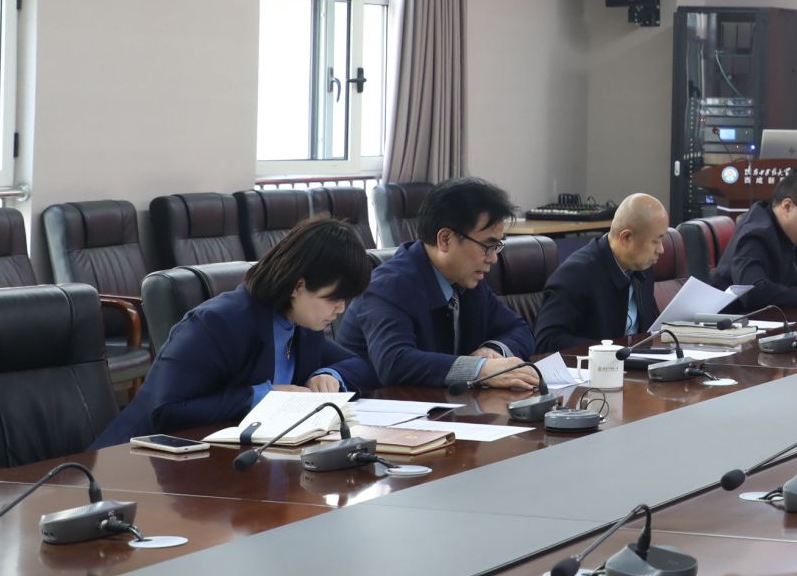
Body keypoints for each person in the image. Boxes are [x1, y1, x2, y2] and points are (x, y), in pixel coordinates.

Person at [93, 215, 376, 447]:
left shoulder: (301, 325)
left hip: (233, 460)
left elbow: (363, 364)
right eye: (333, 298)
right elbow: (166, 411)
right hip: (137, 463)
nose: (340, 309)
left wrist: (330, 375)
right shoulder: (217, 324)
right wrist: (262, 396)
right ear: (298, 286)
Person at [337, 176, 538, 390]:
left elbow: (519, 330)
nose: (493, 258)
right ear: (445, 240)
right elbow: (395, 361)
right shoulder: (388, 286)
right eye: (487, 245)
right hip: (371, 406)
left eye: (497, 246)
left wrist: (493, 351)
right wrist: (481, 370)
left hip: (443, 404)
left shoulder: (468, 282)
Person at [533, 194, 670, 352]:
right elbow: (547, 341)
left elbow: (648, 331)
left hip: (637, 363)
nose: (661, 250)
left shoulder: (642, 268)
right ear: (626, 237)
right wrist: (606, 350)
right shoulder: (575, 274)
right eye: (656, 241)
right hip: (595, 365)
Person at [712, 166, 797, 310]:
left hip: (782, 319)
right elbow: (753, 292)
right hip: (736, 320)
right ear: (787, 206)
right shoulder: (754, 235)